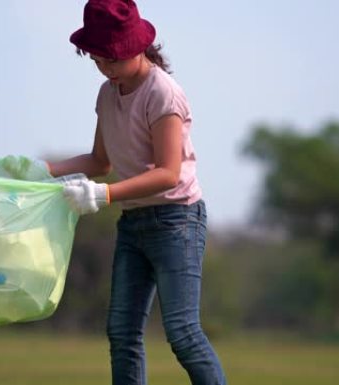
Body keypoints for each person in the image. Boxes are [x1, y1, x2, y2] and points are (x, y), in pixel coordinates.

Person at [46, 0, 226, 384]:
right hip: (134, 223)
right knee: (122, 333)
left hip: (177, 220)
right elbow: (100, 161)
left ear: (137, 47)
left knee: (183, 333)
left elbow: (168, 173)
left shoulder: (163, 93)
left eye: (112, 59)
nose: (106, 68)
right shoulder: (108, 94)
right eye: (98, 60)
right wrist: (46, 170)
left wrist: (102, 196)